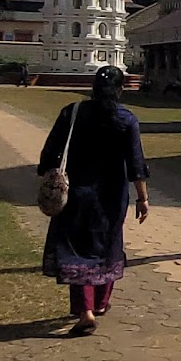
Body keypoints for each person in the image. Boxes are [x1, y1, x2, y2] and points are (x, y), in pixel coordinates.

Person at [38, 65, 150, 336]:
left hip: (76, 194)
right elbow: (136, 164)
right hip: (112, 196)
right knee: (108, 246)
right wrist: (143, 198)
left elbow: (50, 152)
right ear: (121, 90)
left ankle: (85, 311)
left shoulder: (72, 113)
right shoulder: (127, 119)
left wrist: (45, 176)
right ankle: (100, 303)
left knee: (76, 250)